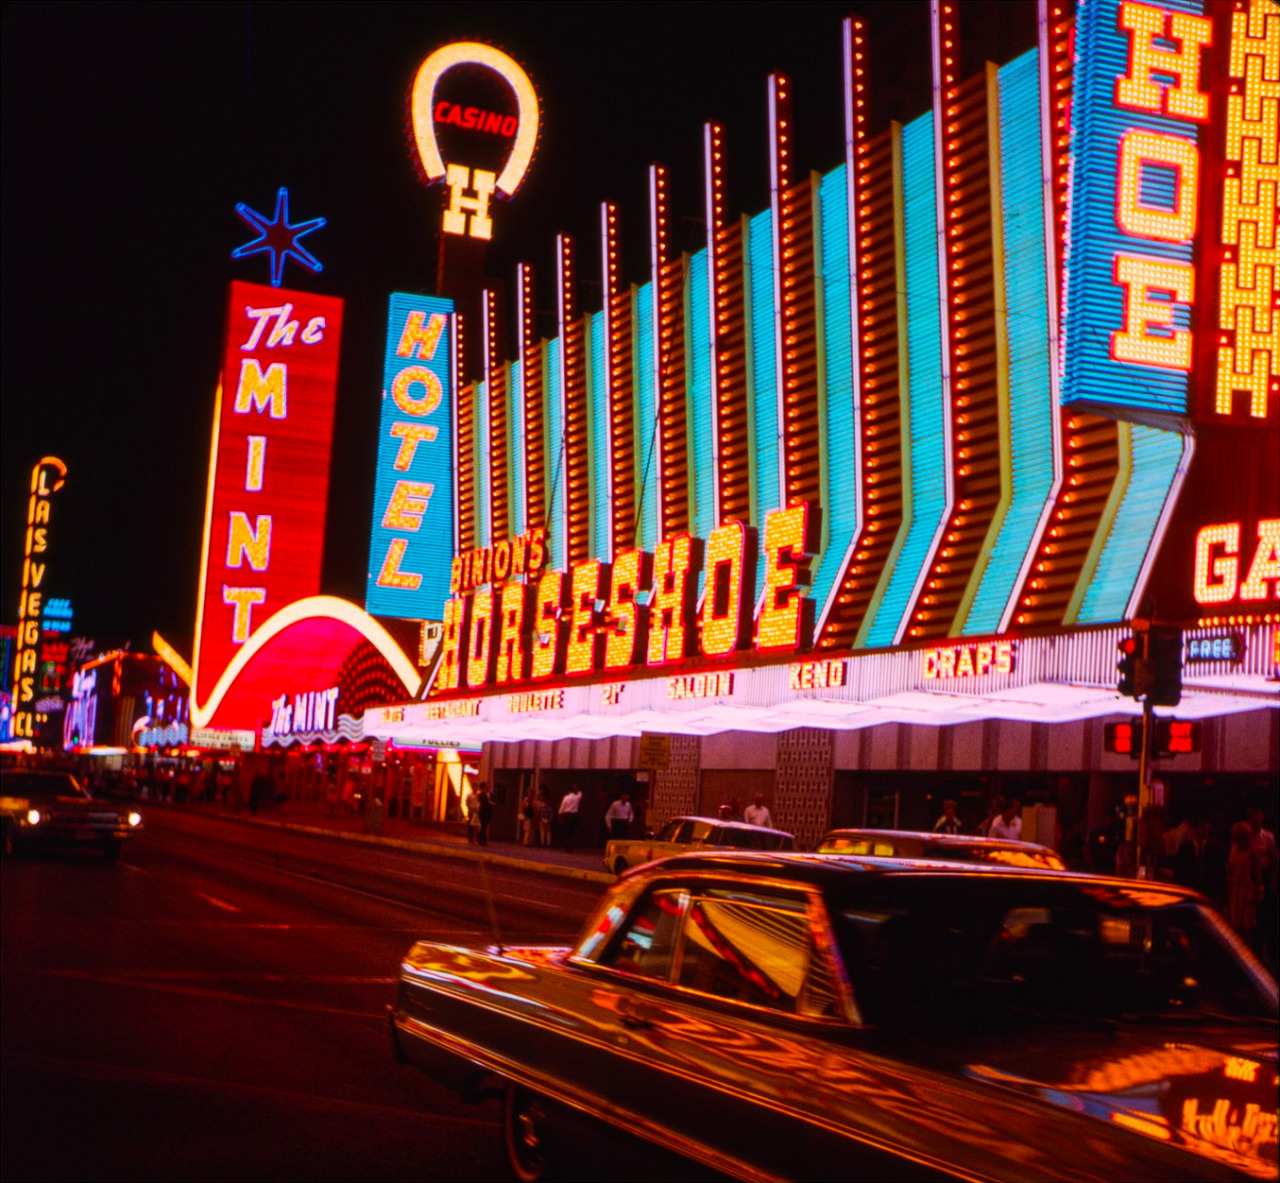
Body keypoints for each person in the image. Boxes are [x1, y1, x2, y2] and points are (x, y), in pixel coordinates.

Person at [1226, 820, 1261, 949]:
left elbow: (1257, 875)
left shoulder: (1252, 853)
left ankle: (1247, 952)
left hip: (1245, 890)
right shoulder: (1234, 849)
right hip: (1234, 888)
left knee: (1245, 925)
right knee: (1234, 923)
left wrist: (1256, 892)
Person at [558, 785, 582, 850]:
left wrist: (560, 814)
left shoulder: (566, 797)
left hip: (567, 814)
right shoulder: (577, 797)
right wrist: (577, 789)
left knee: (567, 830)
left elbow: (562, 806)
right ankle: (571, 845)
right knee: (572, 830)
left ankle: (567, 846)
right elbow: (580, 793)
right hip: (574, 815)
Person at [477, 783, 494, 847]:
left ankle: (480, 839)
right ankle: (483, 840)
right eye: (486, 786)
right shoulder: (481, 794)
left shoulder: (490, 794)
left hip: (489, 812)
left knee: (484, 826)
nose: (488, 787)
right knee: (483, 826)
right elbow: (483, 802)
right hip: (483, 812)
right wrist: (488, 803)